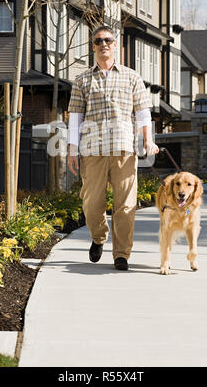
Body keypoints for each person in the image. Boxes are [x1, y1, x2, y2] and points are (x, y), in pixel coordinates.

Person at [67, 26, 159, 271]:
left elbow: (142, 112)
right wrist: (71, 149)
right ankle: (98, 236)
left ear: (116, 44)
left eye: (108, 40)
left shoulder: (131, 77)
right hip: (92, 150)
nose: (103, 44)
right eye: (98, 40)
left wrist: (148, 140)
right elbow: (75, 116)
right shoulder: (82, 80)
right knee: (91, 203)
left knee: (126, 205)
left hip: (124, 148)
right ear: (93, 46)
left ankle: (121, 255)